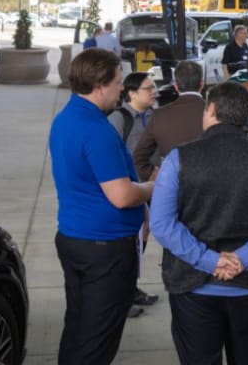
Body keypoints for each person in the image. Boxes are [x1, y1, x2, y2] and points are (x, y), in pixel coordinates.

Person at [150, 82, 248, 365]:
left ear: (210, 109)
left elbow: (162, 224)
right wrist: (244, 257)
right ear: (245, 115)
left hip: (192, 286)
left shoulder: (179, 159)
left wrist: (210, 261)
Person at [49, 48, 154, 364]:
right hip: (104, 249)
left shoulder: (66, 118)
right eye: (118, 82)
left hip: (75, 238)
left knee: (79, 328)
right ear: (98, 86)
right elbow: (121, 195)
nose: (121, 88)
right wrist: (153, 187)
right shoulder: (98, 130)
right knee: (97, 341)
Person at [108, 72, 159, 318]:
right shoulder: (119, 119)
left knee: (141, 239)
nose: (154, 92)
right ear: (132, 93)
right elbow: (110, 156)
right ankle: (121, 296)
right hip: (126, 191)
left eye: (154, 87)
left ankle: (131, 288)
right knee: (125, 245)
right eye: (148, 88)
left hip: (150, 187)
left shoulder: (154, 116)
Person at [133, 60, 205, 182]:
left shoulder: (160, 115)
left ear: (176, 86)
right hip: (212, 187)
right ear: (202, 84)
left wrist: (153, 174)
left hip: (175, 186)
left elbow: (138, 156)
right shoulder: (214, 112)